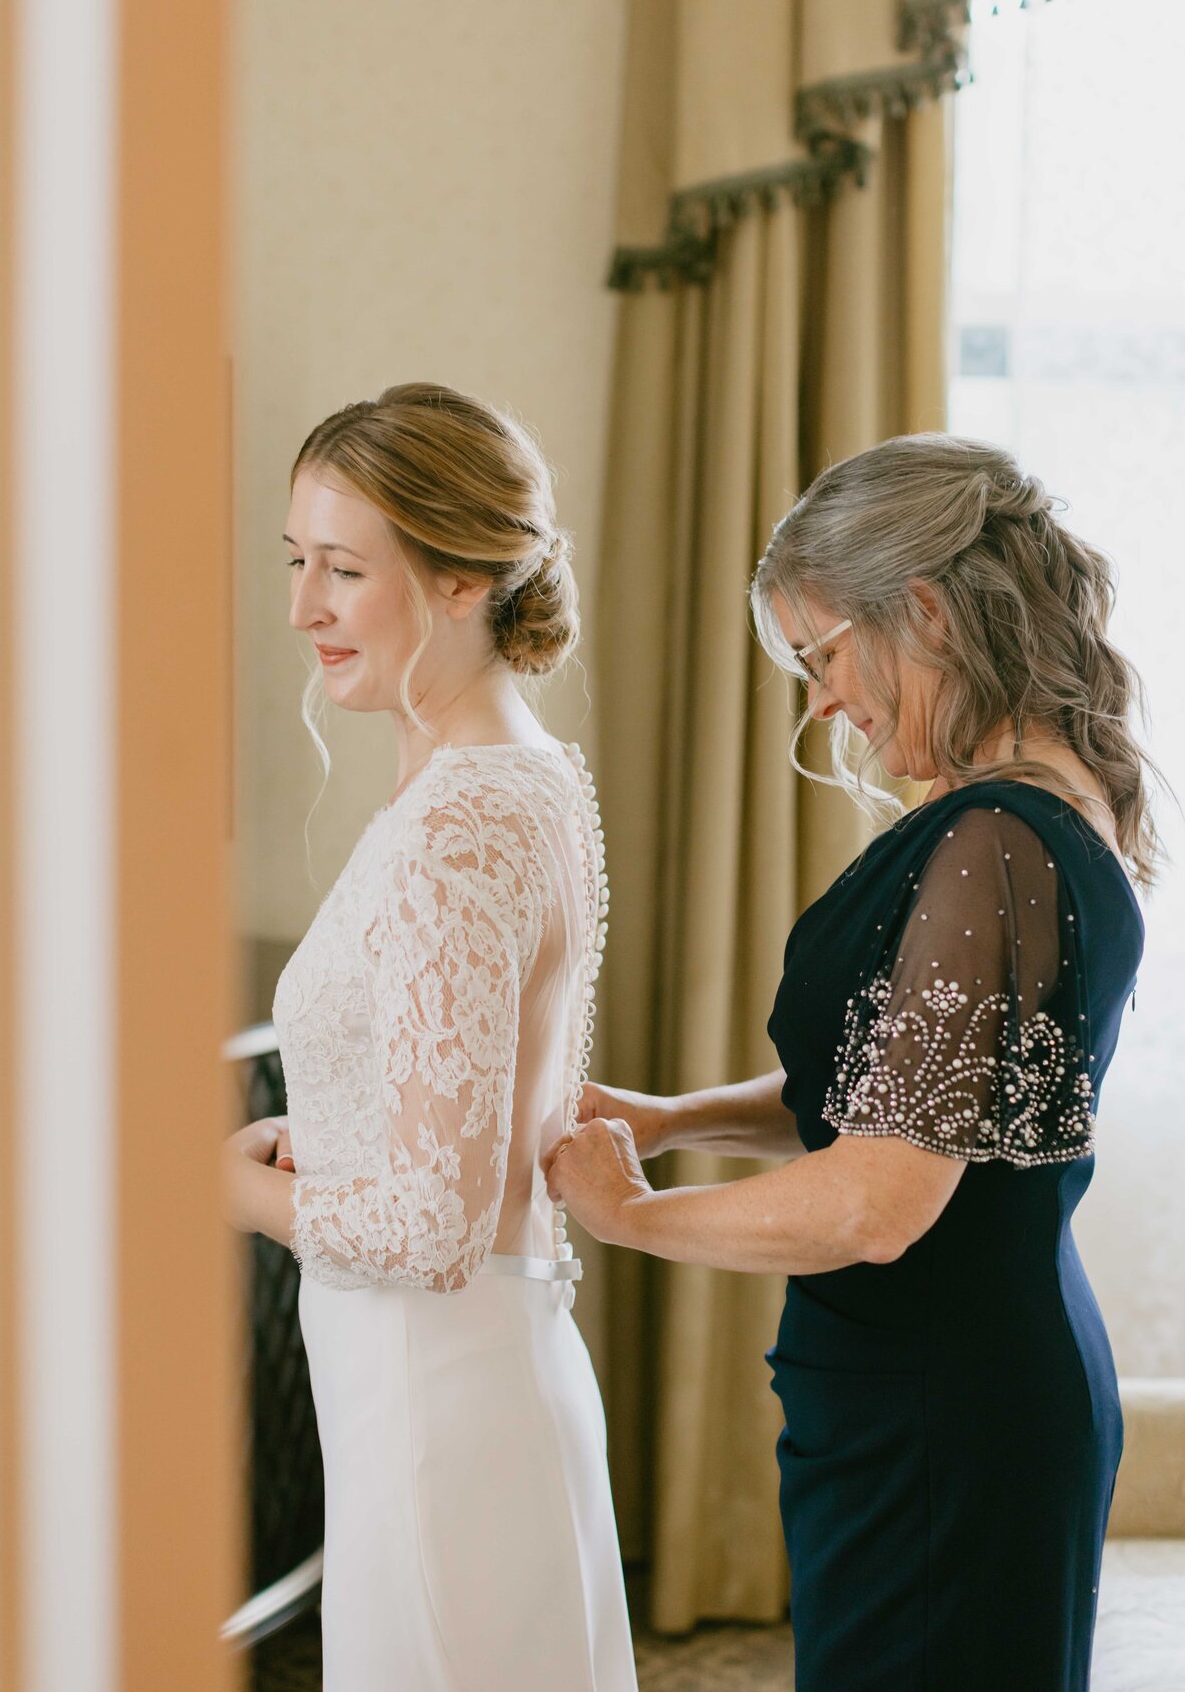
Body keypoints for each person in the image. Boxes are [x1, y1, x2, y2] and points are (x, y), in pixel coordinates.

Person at [545, 435, 1157, 1691]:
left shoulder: (993, 839)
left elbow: (880, 1195)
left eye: (823, 652)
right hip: (958, 1385)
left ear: (922, 609)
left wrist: (631, 1214)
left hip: (948, 1406)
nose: (822, 700)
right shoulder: (1041, 808)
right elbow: (893, 1099)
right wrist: (669, 1117)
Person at [221, 383, 637, 1691]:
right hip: (461, 1379)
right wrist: (330, 1122)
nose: (304, 607)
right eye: (298, 562)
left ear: (461, 578)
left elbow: (428, 1223)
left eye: (345, 568)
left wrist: (215, 1182)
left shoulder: (463, 817)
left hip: (432, 1397)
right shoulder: (513, 775)